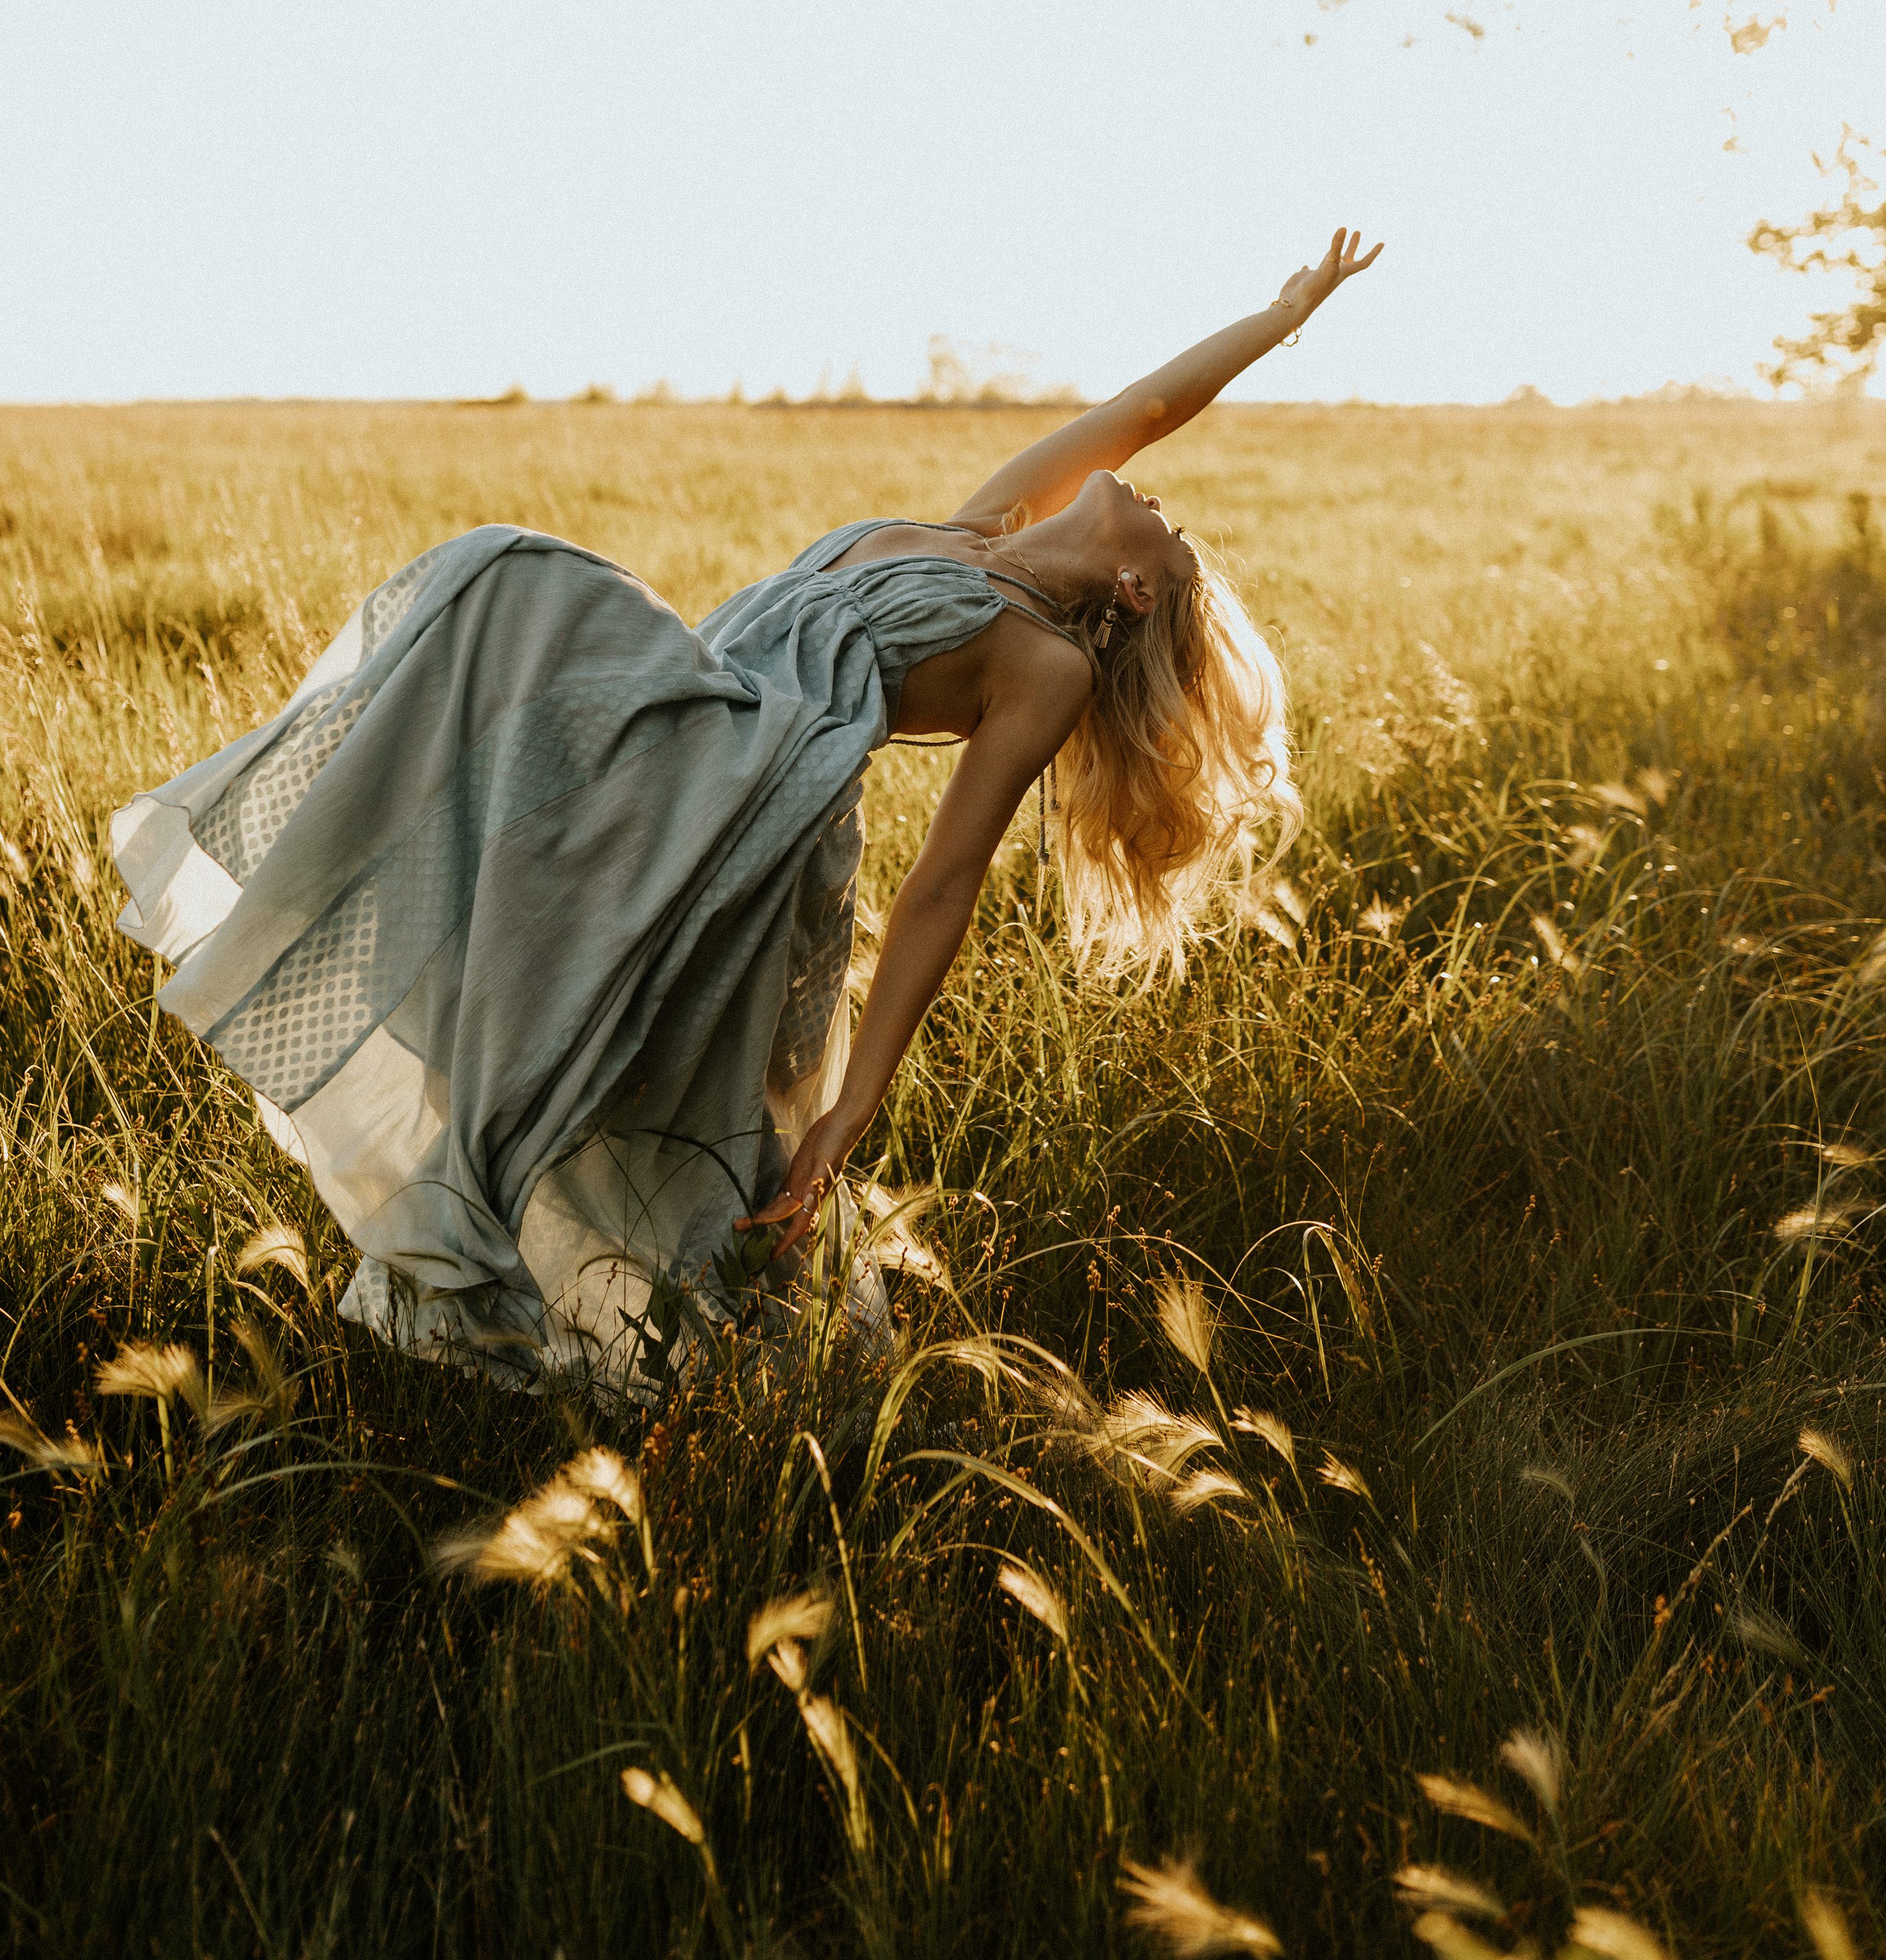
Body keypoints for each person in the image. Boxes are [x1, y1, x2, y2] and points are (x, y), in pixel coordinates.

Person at [109, 230, 1378, 1392]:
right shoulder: (976, 534)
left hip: (746, 823)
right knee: (504, 588)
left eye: (1173, 535)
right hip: (675, 733)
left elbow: (945, 883)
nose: (1158, 500)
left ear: (1138, 593)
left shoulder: (1042, 665)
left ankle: (680, 1369)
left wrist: (854, 1105)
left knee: (528, 598)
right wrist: (1282, 314)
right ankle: (374, 1008)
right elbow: (1141, 412)